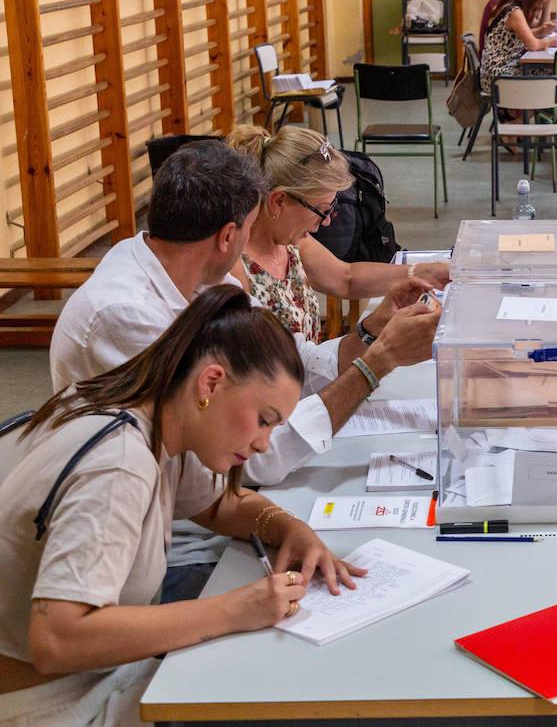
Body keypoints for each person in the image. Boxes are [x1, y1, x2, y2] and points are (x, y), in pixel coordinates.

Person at [48, 141, 438, 600]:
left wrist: (374, 328)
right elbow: (257, 454)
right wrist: (377, 364)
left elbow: (290, 362)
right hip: (150, 556)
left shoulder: (195, 277)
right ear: (228, 236)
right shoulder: (128, 315)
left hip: (204, 514)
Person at [0, 285, 363, 725]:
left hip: (94, 674)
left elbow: (217, 505)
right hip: (54, 703)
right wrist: (235, 610)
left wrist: (290, 529)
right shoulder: (119, 466)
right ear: (210, 382)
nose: (264, 443)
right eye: (263, 420)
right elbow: (58, 639)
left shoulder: (141, 415)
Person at [223, 125, 450, 343]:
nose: (328, 220)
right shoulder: (234, 271)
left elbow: (346, 278)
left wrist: (423, 272)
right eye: (322, 210)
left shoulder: (290, 244)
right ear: (279, 200)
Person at [479, 0, 556, 98]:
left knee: (551, 76)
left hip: (492, 73)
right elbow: (533, 45)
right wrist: (552, 41)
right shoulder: (514, 12)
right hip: (500, 76)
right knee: (555, 77)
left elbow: (537, 28)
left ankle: (519, 115)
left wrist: (547, 1)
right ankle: (521, 118)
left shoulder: (504, 7)